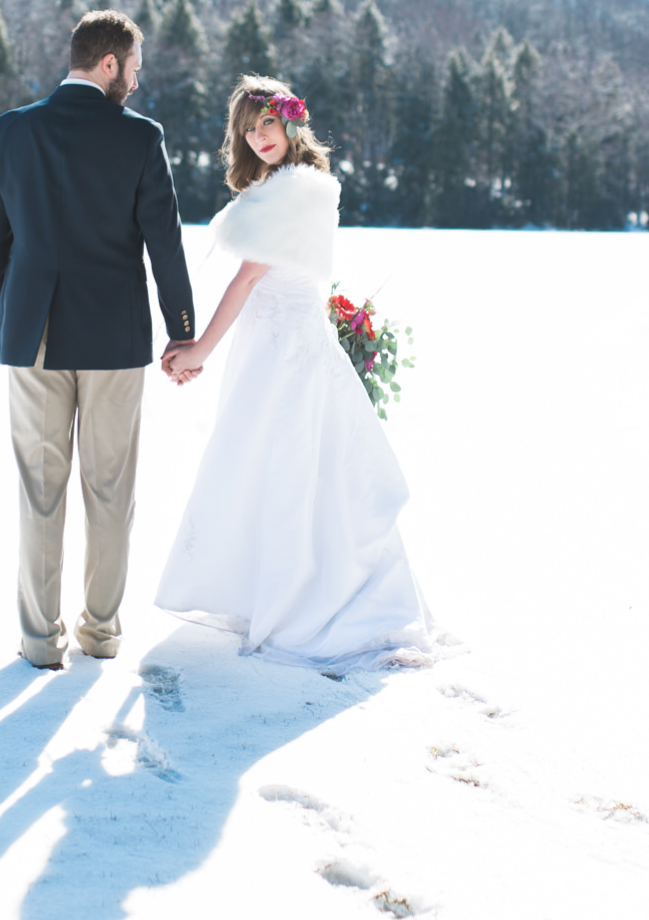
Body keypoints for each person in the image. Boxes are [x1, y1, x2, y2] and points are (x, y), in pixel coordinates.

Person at [156, 75, 441, 671]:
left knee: (284, 462)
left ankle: (297, 602)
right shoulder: (289, 186)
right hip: (276, 341)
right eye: (248, 129)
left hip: (286, 348)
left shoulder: (295, 190)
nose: (259, 137)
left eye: (267, 123)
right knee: (279, 461)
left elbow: (248, 277)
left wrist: (200, 349)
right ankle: (270, 591)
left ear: (290, 123)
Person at [0, 9, 196, 669]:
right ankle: (100, 633)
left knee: (39, 490)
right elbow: (166, 244)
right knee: (109, 490)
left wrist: (1, 319)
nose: (137, 75)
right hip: (113, 338)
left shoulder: (8, 131)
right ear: (108, 65)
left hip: (32, 334)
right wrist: (182, 332)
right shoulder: (140, 137)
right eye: (134, 64)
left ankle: (40, 641)